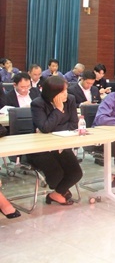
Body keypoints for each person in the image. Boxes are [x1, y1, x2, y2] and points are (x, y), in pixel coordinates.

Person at [30, 76, 83, 205]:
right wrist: (58, 109)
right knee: (57, 175)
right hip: (41, 148)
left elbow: (73, 125)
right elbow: (45, 127)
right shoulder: (38, 104)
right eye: (62, 91)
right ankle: (61, 192)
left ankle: (56, 194)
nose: (66, 94)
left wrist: (53, 128)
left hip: (61, 144)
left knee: (76, 173)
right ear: (52, 93)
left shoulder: (70, 99)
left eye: (66, 90)